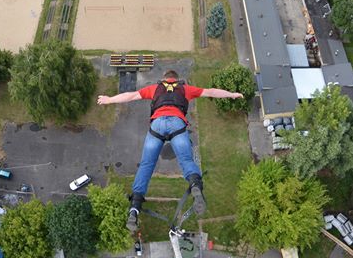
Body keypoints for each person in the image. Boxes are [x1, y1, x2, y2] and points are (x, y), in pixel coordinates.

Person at [97, 70, 244, 232]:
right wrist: (231, 94)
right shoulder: (186, 89)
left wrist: (109, 100)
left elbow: (131, 96)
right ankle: (195, 184)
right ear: (177, 79)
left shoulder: (155, 88)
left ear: (164, 79)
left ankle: (135, 207)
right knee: (186, 160)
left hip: (157, 125)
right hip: (177, 124)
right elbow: (211, 92)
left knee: (146, 165)